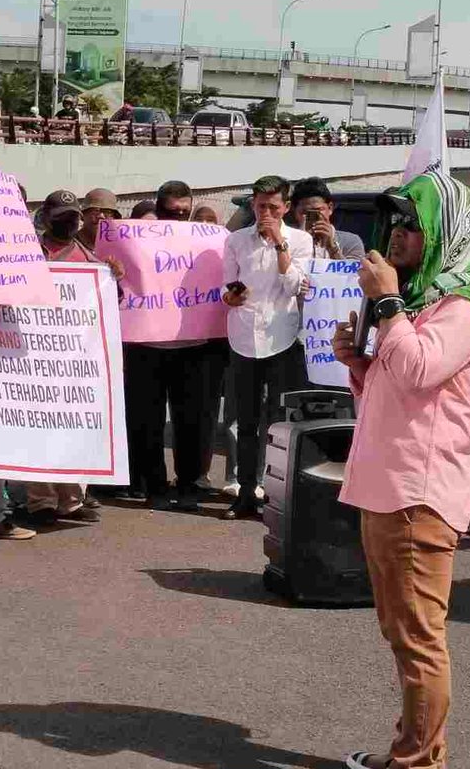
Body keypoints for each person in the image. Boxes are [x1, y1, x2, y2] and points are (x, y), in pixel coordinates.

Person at [328, 171, 470, 769]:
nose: (394, 236)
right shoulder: (431, 299)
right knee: (403, 631)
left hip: (419, 492)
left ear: (441, 233)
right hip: (393, 483)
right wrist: (358, 364)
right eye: (394, 224)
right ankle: (412, 747)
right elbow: (397, 387)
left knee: (419, 636)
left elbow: (420, 367)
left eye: (409, 225)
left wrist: (386, 304)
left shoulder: (467, 302)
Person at [220, 174, 313, 519]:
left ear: (286, 207)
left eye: (274, 207)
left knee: (276, 422)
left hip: (281, 338)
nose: (267, 213)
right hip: (244, 336)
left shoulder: (300, 240)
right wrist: (229, 296)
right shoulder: (236, 241)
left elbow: (295, 287)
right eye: (261, 206)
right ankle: (245, 490)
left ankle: (274, 494)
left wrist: (279, 245)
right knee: (245, 420)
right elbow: (225, 285)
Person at [124, 181, 218, 511]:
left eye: (184, 211)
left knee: (193, 420)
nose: (178, 218)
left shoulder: (207, 241)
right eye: (171, 212)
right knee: (145, 420)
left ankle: (190, 483)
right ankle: (155, 486)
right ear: (158, 210)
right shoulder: (135, 241)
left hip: (194, 344)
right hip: (146, 344)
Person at [27, 189, 106, 525]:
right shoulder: (29, 252)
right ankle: (40, 501)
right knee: (38, 428)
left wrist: (112, 277)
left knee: (73, 427)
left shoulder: (88, 259)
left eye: (73, 216)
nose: (68, 222)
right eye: (61, 216)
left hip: (74, 359)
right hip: (33, 356)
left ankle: (71, 500)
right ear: (46, 218)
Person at [289, 177, 366, 260]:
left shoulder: (350, 241)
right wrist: (300, 240)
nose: (313, 217)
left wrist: (332, 247)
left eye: (318, 210)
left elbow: (354, 272)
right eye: (305, 213)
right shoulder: (286, 240)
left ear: (330, 208)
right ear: (294, 211)